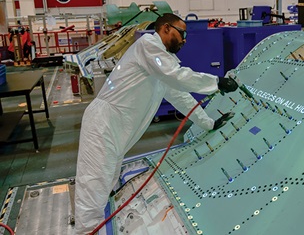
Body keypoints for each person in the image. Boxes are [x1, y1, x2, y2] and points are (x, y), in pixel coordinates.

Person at [74, 13, 238, 234]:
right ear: (166, 28)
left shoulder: (159, 65)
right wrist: (216, 82)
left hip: (115, 129)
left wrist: (208, 123)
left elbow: (181, 95)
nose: (185, 40)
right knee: (93, 189)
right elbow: (178, 76)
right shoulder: (148, 46)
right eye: (182, 33)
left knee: (104, 185)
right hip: (103, 124)